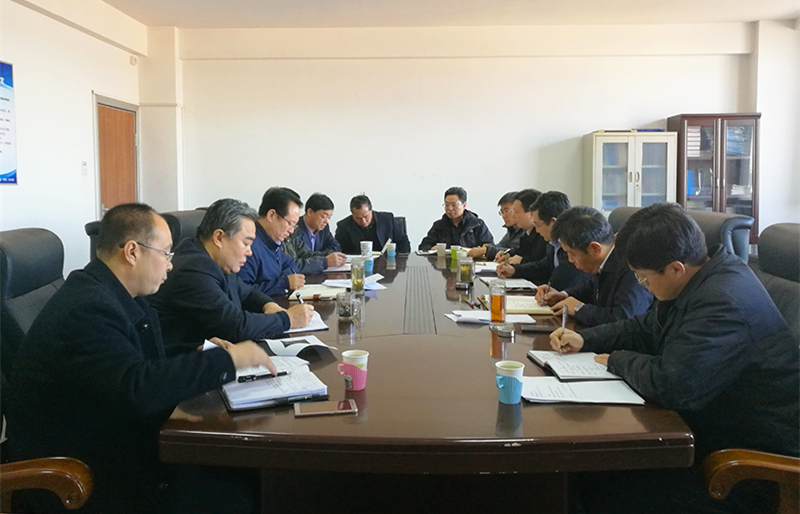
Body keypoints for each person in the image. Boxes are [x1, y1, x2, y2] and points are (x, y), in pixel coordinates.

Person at [7, 203, 276, 514]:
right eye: (166, 254)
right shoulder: (89, 309)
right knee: (243, 493)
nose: (170, 266)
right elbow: (137, 387)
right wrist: (227, 362)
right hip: (87, 475)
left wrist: (196, 351)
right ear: (132, 252)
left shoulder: (111, 292)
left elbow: (132, 358)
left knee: (248, 475)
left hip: (114, 442)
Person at [550, 203, 799, 514]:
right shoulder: (698, 279)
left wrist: (617, 360)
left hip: (745, 471)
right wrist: (587, 339)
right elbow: (643, 327)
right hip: (705, 433)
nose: (642, 286)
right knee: (587, 473)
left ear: (676, 268)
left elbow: (672, 384)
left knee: (598, 487)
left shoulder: (723, 301)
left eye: (643, 278)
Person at [149, 198, 314, 352]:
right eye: (246, 243)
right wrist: (287, 319)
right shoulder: (193, 270)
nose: (250, 252)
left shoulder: (217, 260)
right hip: (180, 361)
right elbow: (235, 327)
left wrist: (267, 305)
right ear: (219, 237)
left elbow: (246, 292)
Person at [534, 206, 653, 327]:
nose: (570, 260)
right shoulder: (606, 260)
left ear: (595, 248)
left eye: (572, 253)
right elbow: (589, 290)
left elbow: (623, 318)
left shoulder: (632, 267)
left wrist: (578, 308)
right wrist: (563, 295)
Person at [497, 190, 589, 292]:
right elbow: (543, 267)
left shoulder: (573, 245)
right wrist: (514, 270)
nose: (536, 230)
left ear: (553, 223)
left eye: (538, 225)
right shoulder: (553, 243)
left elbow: (560, 281)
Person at [238, 187, 308, 295]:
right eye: (290, 223)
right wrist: (283, 283)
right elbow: (242, 291)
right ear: (271, 215)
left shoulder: (272, 241)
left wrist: (285, 279)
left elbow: (290, 264)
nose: (291, 231)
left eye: (294, 226)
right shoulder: (249, 246)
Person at [282, 193, 347, 274]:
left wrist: (329, 258)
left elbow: (308, 254)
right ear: (309, 212)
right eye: (323, 216)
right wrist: (325, 261)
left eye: (329, 217)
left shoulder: (323, 227)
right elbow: (291, 266)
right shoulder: (293, 231)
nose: (326, 221)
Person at [418, 187, 494, 251]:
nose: (450, 208)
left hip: (470, 262)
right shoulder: (439, 225)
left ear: (464, 205)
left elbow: (490, 246)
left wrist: (482, 250)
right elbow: (424, 246)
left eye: (454, 205)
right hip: (444, 263)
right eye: (447, 205)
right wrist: (432, 248)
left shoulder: (476, 224)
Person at [335, 194, 411, 254]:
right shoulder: (343, 227)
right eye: (358, 218)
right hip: (358, 264)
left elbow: (403, 242)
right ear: (352, 213)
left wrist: (400, 260)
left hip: (387, 263)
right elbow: (338, 250)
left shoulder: (387, 220)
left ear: (371, 209)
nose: (363, 221)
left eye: (366, 216)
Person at [467, 191, 524, 261]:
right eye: (502, 212)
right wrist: (488, 247)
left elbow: (517, 252)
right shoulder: (512, 229)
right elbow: (501, 246)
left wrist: (487, 250)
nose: (504, 216)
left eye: (507, 210)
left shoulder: (527, 231)